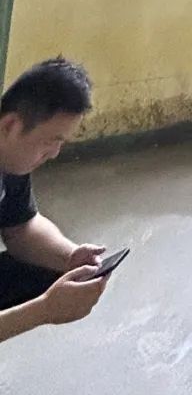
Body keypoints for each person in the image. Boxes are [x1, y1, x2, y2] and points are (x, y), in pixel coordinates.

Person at [0, 57, 109, 342]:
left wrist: (71, 257)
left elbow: (20, 227)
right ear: (10, 125)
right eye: (50, 141)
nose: (54, 153)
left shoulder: (10, 160)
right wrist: (43, 310)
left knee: (51, 269)